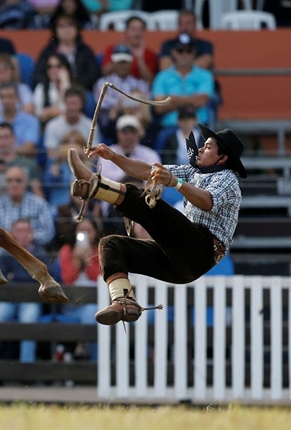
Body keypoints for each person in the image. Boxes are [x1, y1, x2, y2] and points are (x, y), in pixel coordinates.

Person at [67, 123, 247, 326]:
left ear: (222, 158)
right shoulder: (193, 172)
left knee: (150, 205)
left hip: (203, 249)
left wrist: (175, 183)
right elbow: (147, 171)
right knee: (111, 245)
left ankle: (94, 184)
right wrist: (114, 157)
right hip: (183, 263)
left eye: (208, 146)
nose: (201, 148)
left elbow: (207, 201)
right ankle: (124, 301)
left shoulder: (228, 178)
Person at [0, 219, 49, 362]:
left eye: (26, 230)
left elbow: (43, 278)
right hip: (8, 300)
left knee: (28, 322)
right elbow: (1, 277)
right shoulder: (5, 254)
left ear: (32, 233)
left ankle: (26, 370)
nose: (23, 234)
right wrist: (28, 275)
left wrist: (15, 276)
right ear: (12, 234)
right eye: (19, 230)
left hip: (31, 300)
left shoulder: (40, 254)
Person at [152, 33, 215, 129]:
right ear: (173, 52)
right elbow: (159, 107)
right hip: (170, 127)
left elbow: (201, 101)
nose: (184, 54)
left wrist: (172, 99)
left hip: (198, 126)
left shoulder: (205, 75)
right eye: (180, 50)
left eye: (188, 50)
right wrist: (191, 101)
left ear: (194, 52)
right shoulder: (162, 76)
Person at [0, 166, 54, 248]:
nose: (14, 184)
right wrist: (9, 237)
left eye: (18, 181)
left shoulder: (40, 204)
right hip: (4, 250)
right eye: (9, 181)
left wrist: (30, 237)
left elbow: (49, 232)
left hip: (33, 249)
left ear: (26, 182)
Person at [93, 44, 150, 139]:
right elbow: (102, 103)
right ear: (113, 63)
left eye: (125, 62)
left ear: (131, 63)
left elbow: (148, 100)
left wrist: (122, 103)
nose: (122, 65)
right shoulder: (102, 83)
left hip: (136, 122)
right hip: (111, 125)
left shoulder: (140, 84)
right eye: (119, 62)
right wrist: (127, 102)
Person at [33, 12, 100, 91]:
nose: (66, 30)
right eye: (61, 26)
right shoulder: (48, 51)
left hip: (80, 91)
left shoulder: (85, 50)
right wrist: (56, 84)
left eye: (70, 25)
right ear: (55, 30)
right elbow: (38, 75)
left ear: (77, 29)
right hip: (54, 91)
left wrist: (73, 85)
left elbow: (94, 75)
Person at [0, 123, 43, 197]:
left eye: (6, 137)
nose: (2, 142)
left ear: (14, 138)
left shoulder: (30, 165)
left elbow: (38, 194)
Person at [97, 115, 161, 183]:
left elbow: (156, 179)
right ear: (117, 132)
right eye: (124, 131)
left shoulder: (150, 154)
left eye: (133, 131)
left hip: (143, 192)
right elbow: (104, 177)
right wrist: (132, 175)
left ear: (138, 133)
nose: (129, 135)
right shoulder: (107, 152)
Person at [0, 83, 41, 156]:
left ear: (17, 98)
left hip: (22, 161)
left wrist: (2, 150)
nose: (7, 101)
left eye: (10, 97)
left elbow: (29, 148)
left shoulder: (31, 121)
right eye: (3, 97)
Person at [43, 86, 99, 160]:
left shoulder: (91, 126)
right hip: (60, 164)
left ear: (82, 104)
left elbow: (94, 155)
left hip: (84, 163)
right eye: (69, 103)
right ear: (64, 102)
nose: (72, 107)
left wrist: (68, 151)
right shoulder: (53, 125)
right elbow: (51, 154)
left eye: (75, 104)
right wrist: (75, 151)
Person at [101, 16, 157, 84]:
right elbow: (104, 73)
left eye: (140, 29)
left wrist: (140, 59)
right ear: (126, 32)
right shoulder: (113, 49)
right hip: (115, 87)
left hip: (139, 90)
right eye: (133, 30)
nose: (137, 34)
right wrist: (121, 55)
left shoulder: (150, 54)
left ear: (144, 32)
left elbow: (150, 81)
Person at [33, 53, 74, 125]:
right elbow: (38, 113)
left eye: (58, 66)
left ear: (65, 68)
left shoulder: (74, 87)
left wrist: (64, 84)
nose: (53, 70)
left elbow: (74, 112)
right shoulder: (41, 87)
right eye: (50, 67)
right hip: (48, 126)